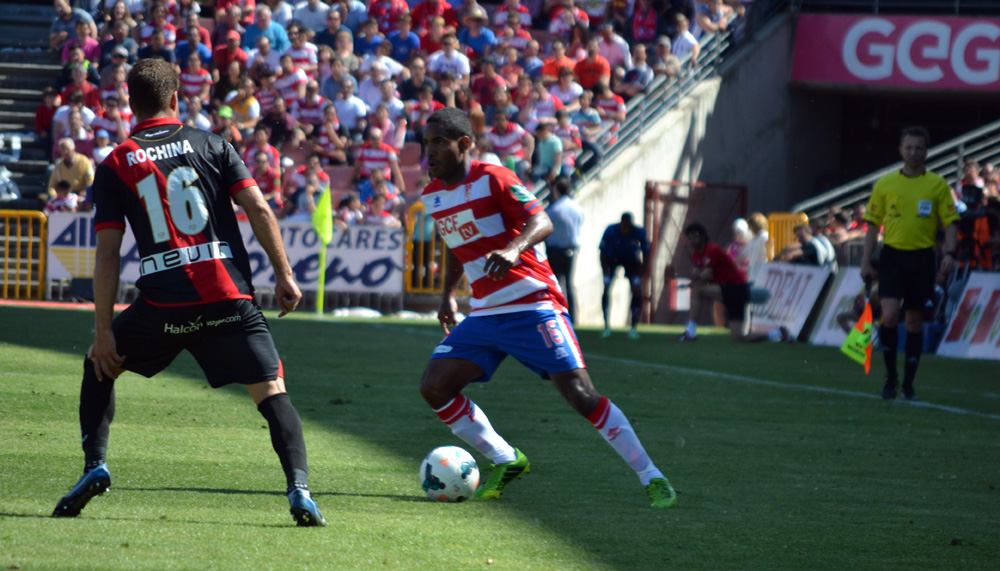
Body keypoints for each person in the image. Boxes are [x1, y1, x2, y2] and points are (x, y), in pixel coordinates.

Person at [50, 59, 325, 527]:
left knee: (100, 366)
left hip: (162, 304)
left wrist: (102, 332)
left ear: (131, 106)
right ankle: (299, 490)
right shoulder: (215, 144)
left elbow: (109, 255)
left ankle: (95, 464)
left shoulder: (116, 163)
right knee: (271, 391)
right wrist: (285, 274)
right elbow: (258, 205)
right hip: (229, 300)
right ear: (176, 98)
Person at [418, 107, 677, 508]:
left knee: (580, 394)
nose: (429, 151)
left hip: (532, 303)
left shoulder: (493, 177)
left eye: (438, 142)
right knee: (434, 385)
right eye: (426, 143)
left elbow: (541, 220)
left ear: (464, 144)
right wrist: (448, 295)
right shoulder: (432, 195)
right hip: (486, 312)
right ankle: (506, 459)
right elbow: (456, 246)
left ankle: (652, 477)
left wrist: (513, 247)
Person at [860, 126, 959, 402]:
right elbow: (872, 225)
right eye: (909, 147)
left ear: (926, 152)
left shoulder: (937, 185)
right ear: (900, 150)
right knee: (890, 316)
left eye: (919, 148)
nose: (913, 152)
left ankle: (909, 385)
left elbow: (951, 222)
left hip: (922, 258)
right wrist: (866, 261)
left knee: (914, 322)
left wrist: (950, 253)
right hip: (892, 256)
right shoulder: (885, 183)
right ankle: (890, 378)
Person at [679, 222, 793, 343]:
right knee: (738, 338)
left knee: (698, 290)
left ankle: (690, 331)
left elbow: (706, 275)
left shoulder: (712, 249)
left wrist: (695, 280)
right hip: (730, 290)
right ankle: (778, 333)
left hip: (735, 288)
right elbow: (697, 274)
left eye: (695, 236)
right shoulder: (697, 254)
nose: (692, 240)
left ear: (702, 237)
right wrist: (695, 278)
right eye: (690, 237)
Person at [599, 212, 647, 339]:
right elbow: (602, 252)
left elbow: (646, 254)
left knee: (636, 290)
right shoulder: (611, 231)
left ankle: (633, 327)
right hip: (613, 259)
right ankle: (606, 326)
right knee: (607, 287)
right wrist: (605, 273)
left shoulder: (639, 232)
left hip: (631, 261)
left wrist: (640, 276)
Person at [544, 177, 584, 323]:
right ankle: (573, 316)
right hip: (572, 249)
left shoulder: (554, 210)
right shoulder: (577, 208)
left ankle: (558, 313)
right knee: (570, 284)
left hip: (555, 250)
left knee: (556, 283)